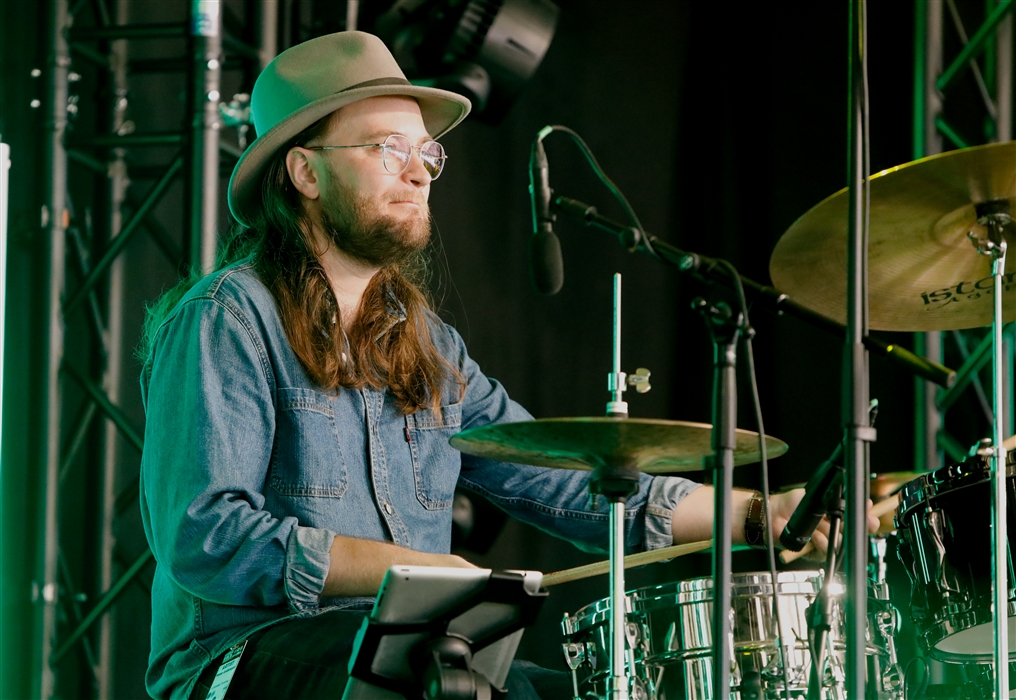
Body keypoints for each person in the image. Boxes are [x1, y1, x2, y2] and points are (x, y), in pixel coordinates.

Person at [139, 31, 870, 700]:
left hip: (417, 651)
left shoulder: (425, 344)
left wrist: (757, 514)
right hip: (240, 658)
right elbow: (206, 536)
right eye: (387, 148)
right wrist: (412, 572)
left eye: (427, 153)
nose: (420, 172)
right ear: (303, 171)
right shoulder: (227, 317)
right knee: (444, 682)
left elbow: (569, 479)